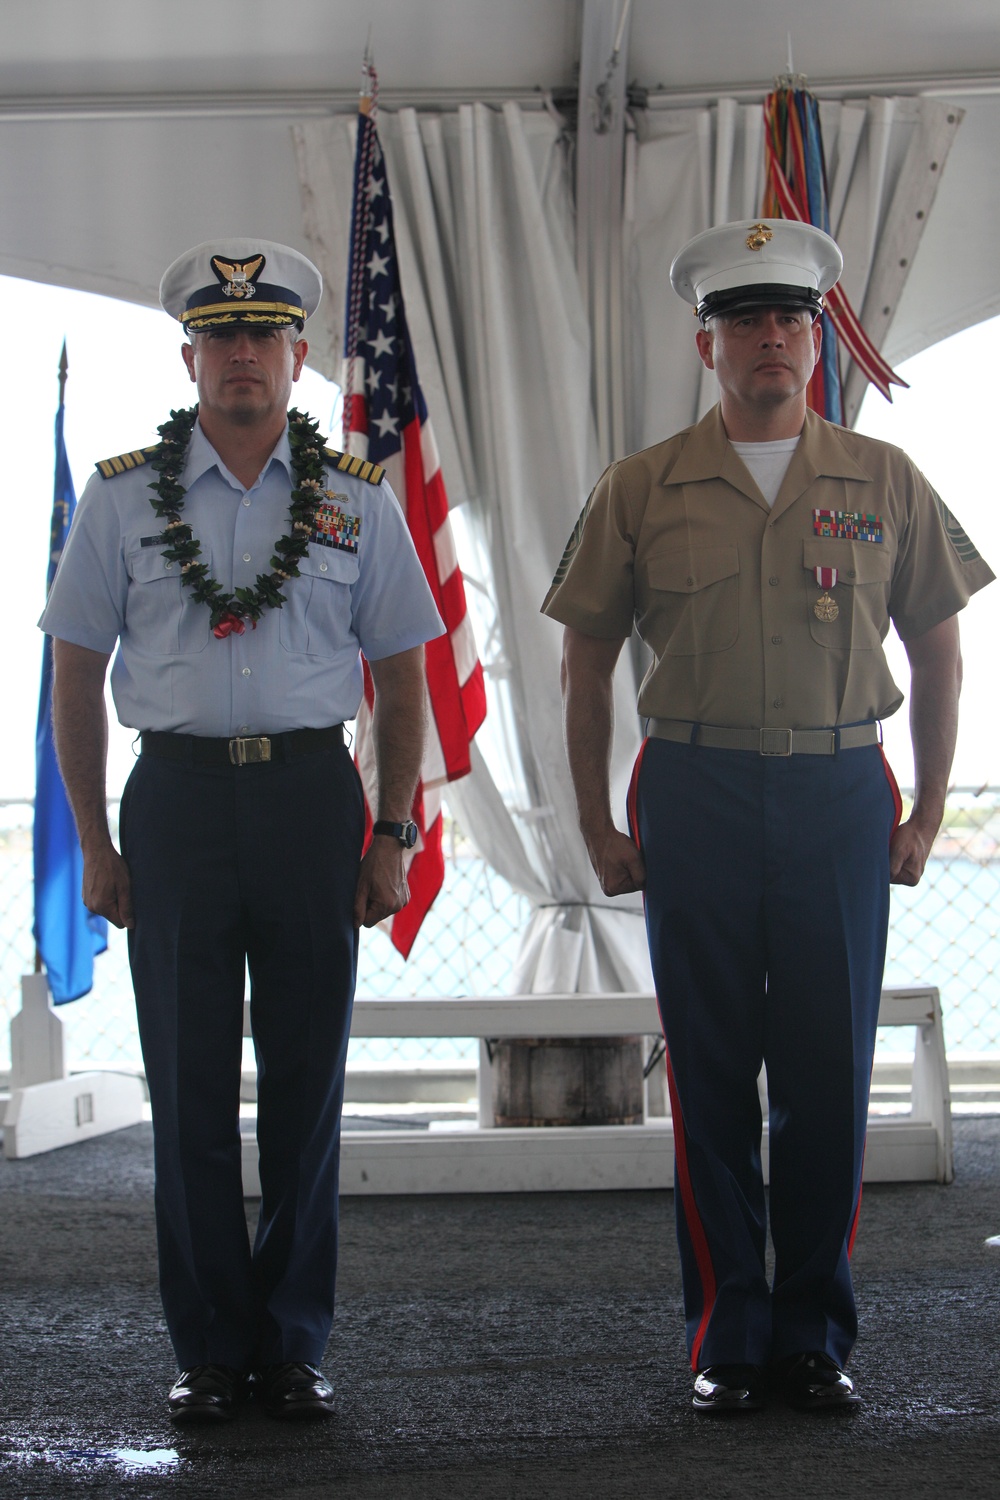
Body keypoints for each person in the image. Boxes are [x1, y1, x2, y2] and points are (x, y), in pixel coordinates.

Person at [542, 219, 993, 1413]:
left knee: (827, 1073)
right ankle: (725, 1333)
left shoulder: (883, 477)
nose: (770, 342)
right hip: (690, 791)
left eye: (791, 320)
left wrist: (930, 805)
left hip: (840, 790)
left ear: (817, 342)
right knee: (706, 1068)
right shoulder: (639, 485)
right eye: (746, 322)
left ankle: (811, 1334)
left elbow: (940, 655)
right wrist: (593, 822)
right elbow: (584, 669)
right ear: (708, 343)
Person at [39, 238, 444, 1423]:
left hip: (314, 801)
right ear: (189, 357)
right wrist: (96, 846)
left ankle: (293, 1342)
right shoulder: (121, 500)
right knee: (189, 1086)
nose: (244, 356)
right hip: (174, 804)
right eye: (222, 337)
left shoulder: (355, 502)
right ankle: (211, 1348)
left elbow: (403, 679)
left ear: (299, 355)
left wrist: (393, 831)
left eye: (264, 335)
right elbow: (74, 679)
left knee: (309, 1085)